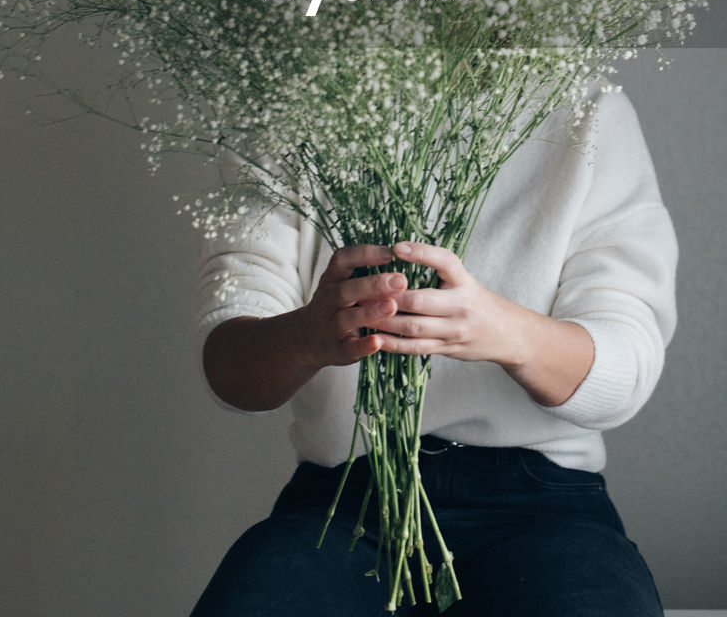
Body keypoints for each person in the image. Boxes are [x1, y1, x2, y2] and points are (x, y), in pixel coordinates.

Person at [188, 81, 677, 615]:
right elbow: (231, 372)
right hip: (341, 501)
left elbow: (626, 372)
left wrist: (501, 331)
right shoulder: (283, 102)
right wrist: (309, 335)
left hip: (543, 506)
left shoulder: (587, 106)